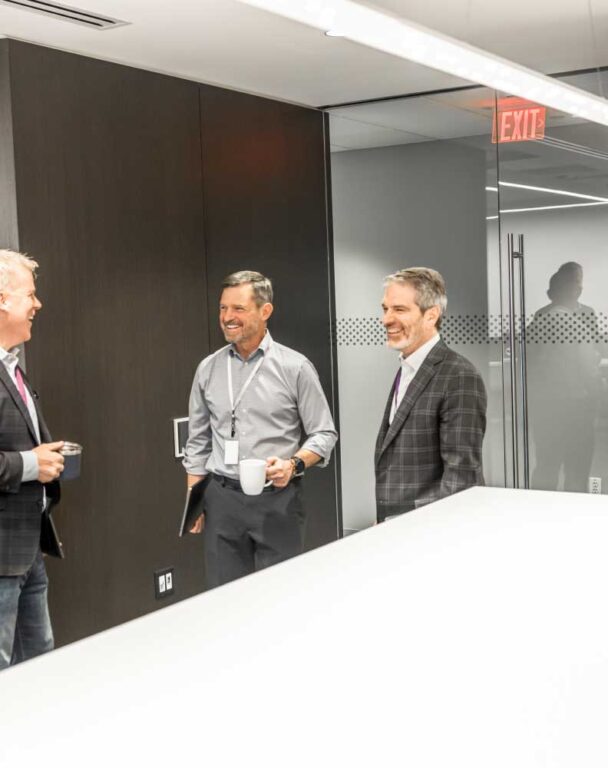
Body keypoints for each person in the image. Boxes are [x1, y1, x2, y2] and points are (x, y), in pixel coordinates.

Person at [183, 270, 337, 587]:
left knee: (280, 596)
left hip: (277, 500)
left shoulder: (295, 367)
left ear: (265, 311)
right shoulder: (208, 368)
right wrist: (194, 502)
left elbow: (325, 434)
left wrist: (293, 464)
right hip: (221, 500)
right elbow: (197, 442)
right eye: (223, 308)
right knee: (224, 600)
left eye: (238, 309)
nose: (227, 317)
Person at [375, 267, 486, 521]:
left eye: (399, 310)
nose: (386, 319)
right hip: (400, 527)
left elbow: (461, 480)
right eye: (385, 309)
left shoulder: (458, 376)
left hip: (431, 531)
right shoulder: (409, 367)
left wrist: (408, 523)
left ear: (431, 315)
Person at [0, 249, 65, 669]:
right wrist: (30, 464)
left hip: (28, 551)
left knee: (40, 671)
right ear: (2, 298)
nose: (37, 304)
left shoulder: (13, 368)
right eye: (30, 295)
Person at [527, 262, 600, 492]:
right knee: (576, 468)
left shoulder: (542, 318)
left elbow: (529, 361)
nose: (580, 286)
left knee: (548, 465)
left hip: (549, 404)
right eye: (577, 282)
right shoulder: (572, 320)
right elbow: (589, 363)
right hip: (574, 403)